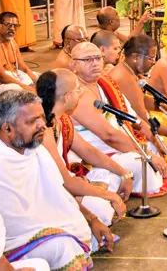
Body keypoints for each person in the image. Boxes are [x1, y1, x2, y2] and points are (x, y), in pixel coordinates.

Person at [0, 90, 114, 269]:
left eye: (41, 118)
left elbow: (60, 193)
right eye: (32, 121)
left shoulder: (32, 147)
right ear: (7, 128)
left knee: (99, 213)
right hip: (11, 245)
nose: (42, 126)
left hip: (45, 227)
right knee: (63, 247)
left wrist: (92, 219)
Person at [67, 42, 167, 195]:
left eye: (98, 58)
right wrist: (147, 155)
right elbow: (109, 136)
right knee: (145, 164)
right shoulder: (75, 94)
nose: (95, 63)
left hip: (123, 145)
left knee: (158, 147)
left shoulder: (105, 84)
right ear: (73, 64)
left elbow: (134, 118)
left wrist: (158, 142)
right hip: (96, 156)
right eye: (88, 60)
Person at [35, 68, 130, 229]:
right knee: (102, 210)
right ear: (67, 97)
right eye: (77, 89)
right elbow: (65, 181)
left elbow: (88, 151)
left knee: (115, 178)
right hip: (48, 192)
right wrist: (110, 196)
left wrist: (125, 174)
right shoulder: (43, 130)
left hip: (67, 183)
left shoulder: (61, 119)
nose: (80, 93)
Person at [0, 14, 34, 88]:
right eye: (8, 25)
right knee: (17, 90)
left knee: (42, 78)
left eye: (15, 26)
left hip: (14, 77)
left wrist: (40, 83)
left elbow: (24, 68)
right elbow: (1, 76)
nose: (12, 28)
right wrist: (28, 88)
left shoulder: (13, 43)